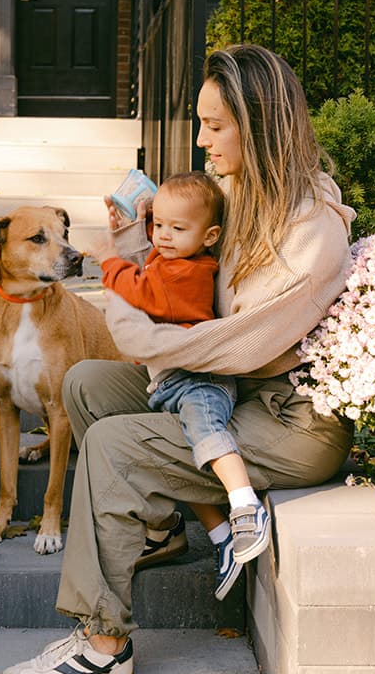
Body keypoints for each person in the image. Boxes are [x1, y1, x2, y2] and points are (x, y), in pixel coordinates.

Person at [1, 44, 355, 674]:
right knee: (86, 384)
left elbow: (236, 346)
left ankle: (103, 644)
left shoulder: (311, 232)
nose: (200, 140)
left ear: (260, 125)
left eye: (214, 125)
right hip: (228, 390)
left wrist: (133, 319)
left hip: (290, 418)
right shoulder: (237, 195)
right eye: (200, 123)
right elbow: (187, 290)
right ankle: (161, 530)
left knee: (113, 444)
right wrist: (138, 243)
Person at [95, 170, 271, 598]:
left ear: (210, 236)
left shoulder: (188, 273)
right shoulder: (172, 257)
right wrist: (135, 226)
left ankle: (245, 506)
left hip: (199, 381)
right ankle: (222, 538)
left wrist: (109, 260)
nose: (163, 236)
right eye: (158, 225)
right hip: (172, 382)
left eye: (177, 228)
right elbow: (151, 260)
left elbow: (142, 291)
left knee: (206, 432)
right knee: (185, 457)